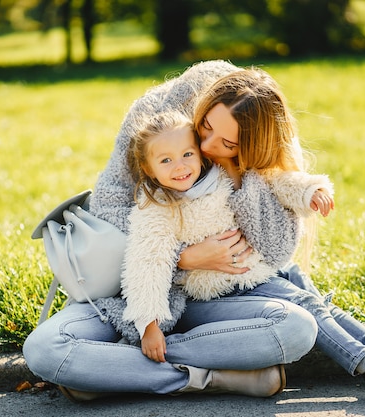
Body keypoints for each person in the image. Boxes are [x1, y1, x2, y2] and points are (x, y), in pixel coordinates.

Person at [22, 60, 365, 401]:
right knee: (45, 349)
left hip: (220, 294)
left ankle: (112, 373)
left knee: (297, 324)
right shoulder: (155, 135)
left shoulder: (246, 163)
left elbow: (278, 214)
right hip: (131, 291)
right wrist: (182, 257)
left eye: (226, 143)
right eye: (205, 129)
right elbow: (112, 209)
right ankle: (214, 376)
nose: (208, 147)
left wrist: (308, 190)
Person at [120, 110, 334, 360]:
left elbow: (273, 180)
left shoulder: (218, 177)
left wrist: (309, 190)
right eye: (166, 161)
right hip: (221, 291)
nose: (180, 166)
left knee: (312, 298)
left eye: (187, 154)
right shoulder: (156, 209)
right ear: (148, 168)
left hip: (255, 274)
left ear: (199, 154)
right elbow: (147, 263)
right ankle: (364, 360)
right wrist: (149, 326)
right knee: (305, 303)